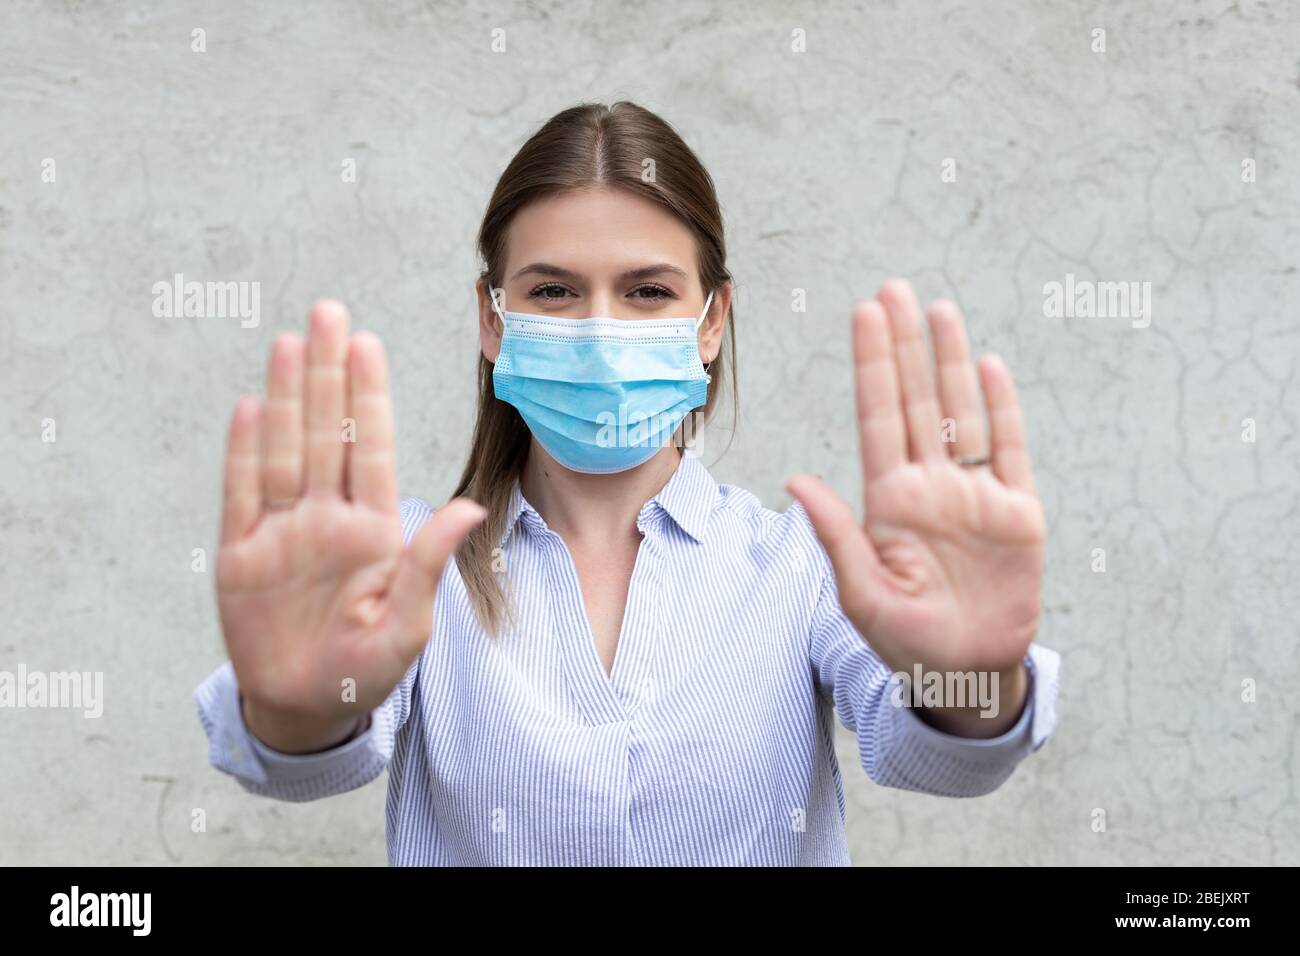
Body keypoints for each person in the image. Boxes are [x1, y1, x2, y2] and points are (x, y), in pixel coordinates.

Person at [194, 101, 1060, 866]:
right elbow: (303, 766)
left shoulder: (802, 564)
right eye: (555, 290)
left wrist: (972, 687)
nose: (602, 331)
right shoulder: (406, 563)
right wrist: (300, 711)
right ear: (493, 319)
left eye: (648, 290)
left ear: (711, 320)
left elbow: (946, 762)